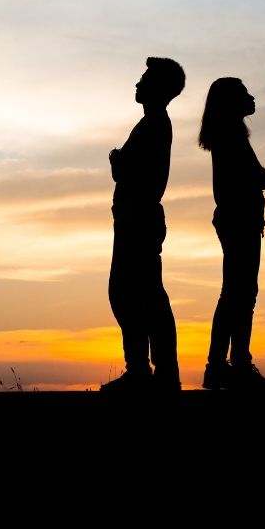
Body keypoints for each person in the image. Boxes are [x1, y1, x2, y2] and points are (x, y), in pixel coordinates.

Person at [101, 57, 185, 394]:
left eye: (145, 79)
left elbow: (126, 169)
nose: (138, 84)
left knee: (135, 294)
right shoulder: (151, 124)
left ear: (160, 88)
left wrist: (117, 159)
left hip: (139, 219)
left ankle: (148, 372)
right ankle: (149, 371)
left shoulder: (154, 125)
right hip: (135, 218)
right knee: (136, 294)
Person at [198, 77, 265, 390]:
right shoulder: (231, 136)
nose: (251, 97)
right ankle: (234, 365)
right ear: (232, 102)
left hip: (236, 220)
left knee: (237, 293)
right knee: (240, 294)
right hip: (239, 220)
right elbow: (259, 176)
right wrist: (262, 176)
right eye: (244, 93)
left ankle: (223, 365)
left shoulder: (228, 135)